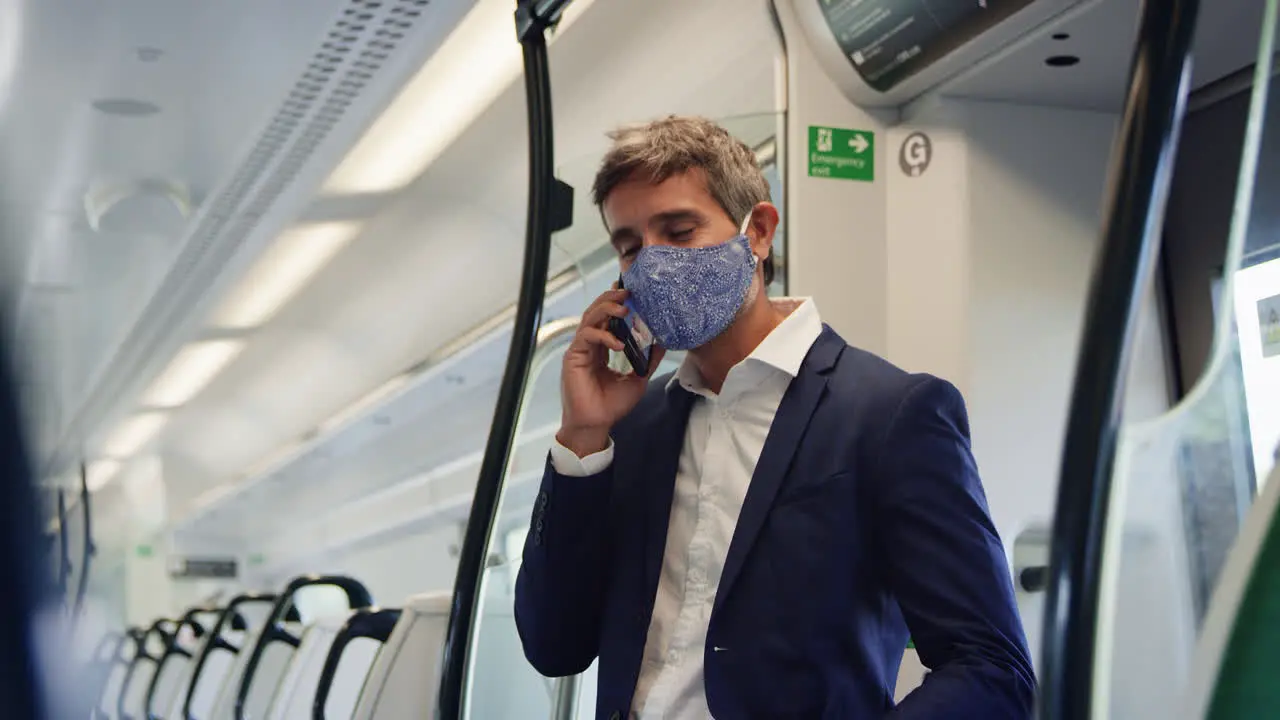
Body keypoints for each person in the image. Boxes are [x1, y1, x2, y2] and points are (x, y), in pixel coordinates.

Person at [514, 116, 1034, 719]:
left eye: (679, 231)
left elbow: (991, 665)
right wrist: (583, 436)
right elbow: (555, 646)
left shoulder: (890, 415)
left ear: (757, 232)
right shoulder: (636, 426)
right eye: (630, 247)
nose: (651, 264)